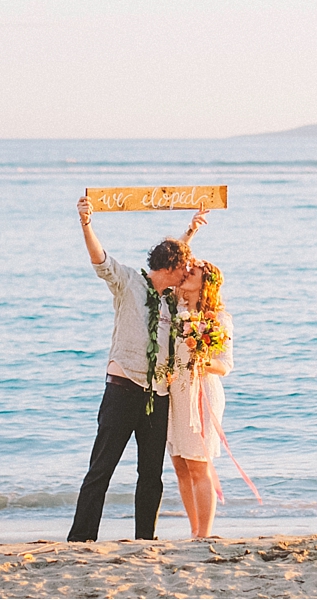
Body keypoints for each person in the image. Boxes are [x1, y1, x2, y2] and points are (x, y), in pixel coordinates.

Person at [66, 195, 208, 542]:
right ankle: (82, 538)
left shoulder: (170, 299)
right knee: (101, 470)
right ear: (172, 268)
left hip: (157, 396)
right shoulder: (129, 282)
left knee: (151, 474)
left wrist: (190, 231)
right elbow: (100, 260)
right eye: (183, 267)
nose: (186, 273)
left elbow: (178, 256)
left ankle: (146, 538)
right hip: (122, 390)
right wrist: (86, 224)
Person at [167, 258, 234, 538]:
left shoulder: (218, 319)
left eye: (191, 272)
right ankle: (194, 529)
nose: (185, 274)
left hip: (202, 393)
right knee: (180, 464)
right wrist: (191, 230)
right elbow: (168, 272)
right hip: (175, 395)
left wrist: (201, 360)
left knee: (198, 464)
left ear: (204, 283)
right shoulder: (175, 309)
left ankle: (204, 534)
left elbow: (225, 366)